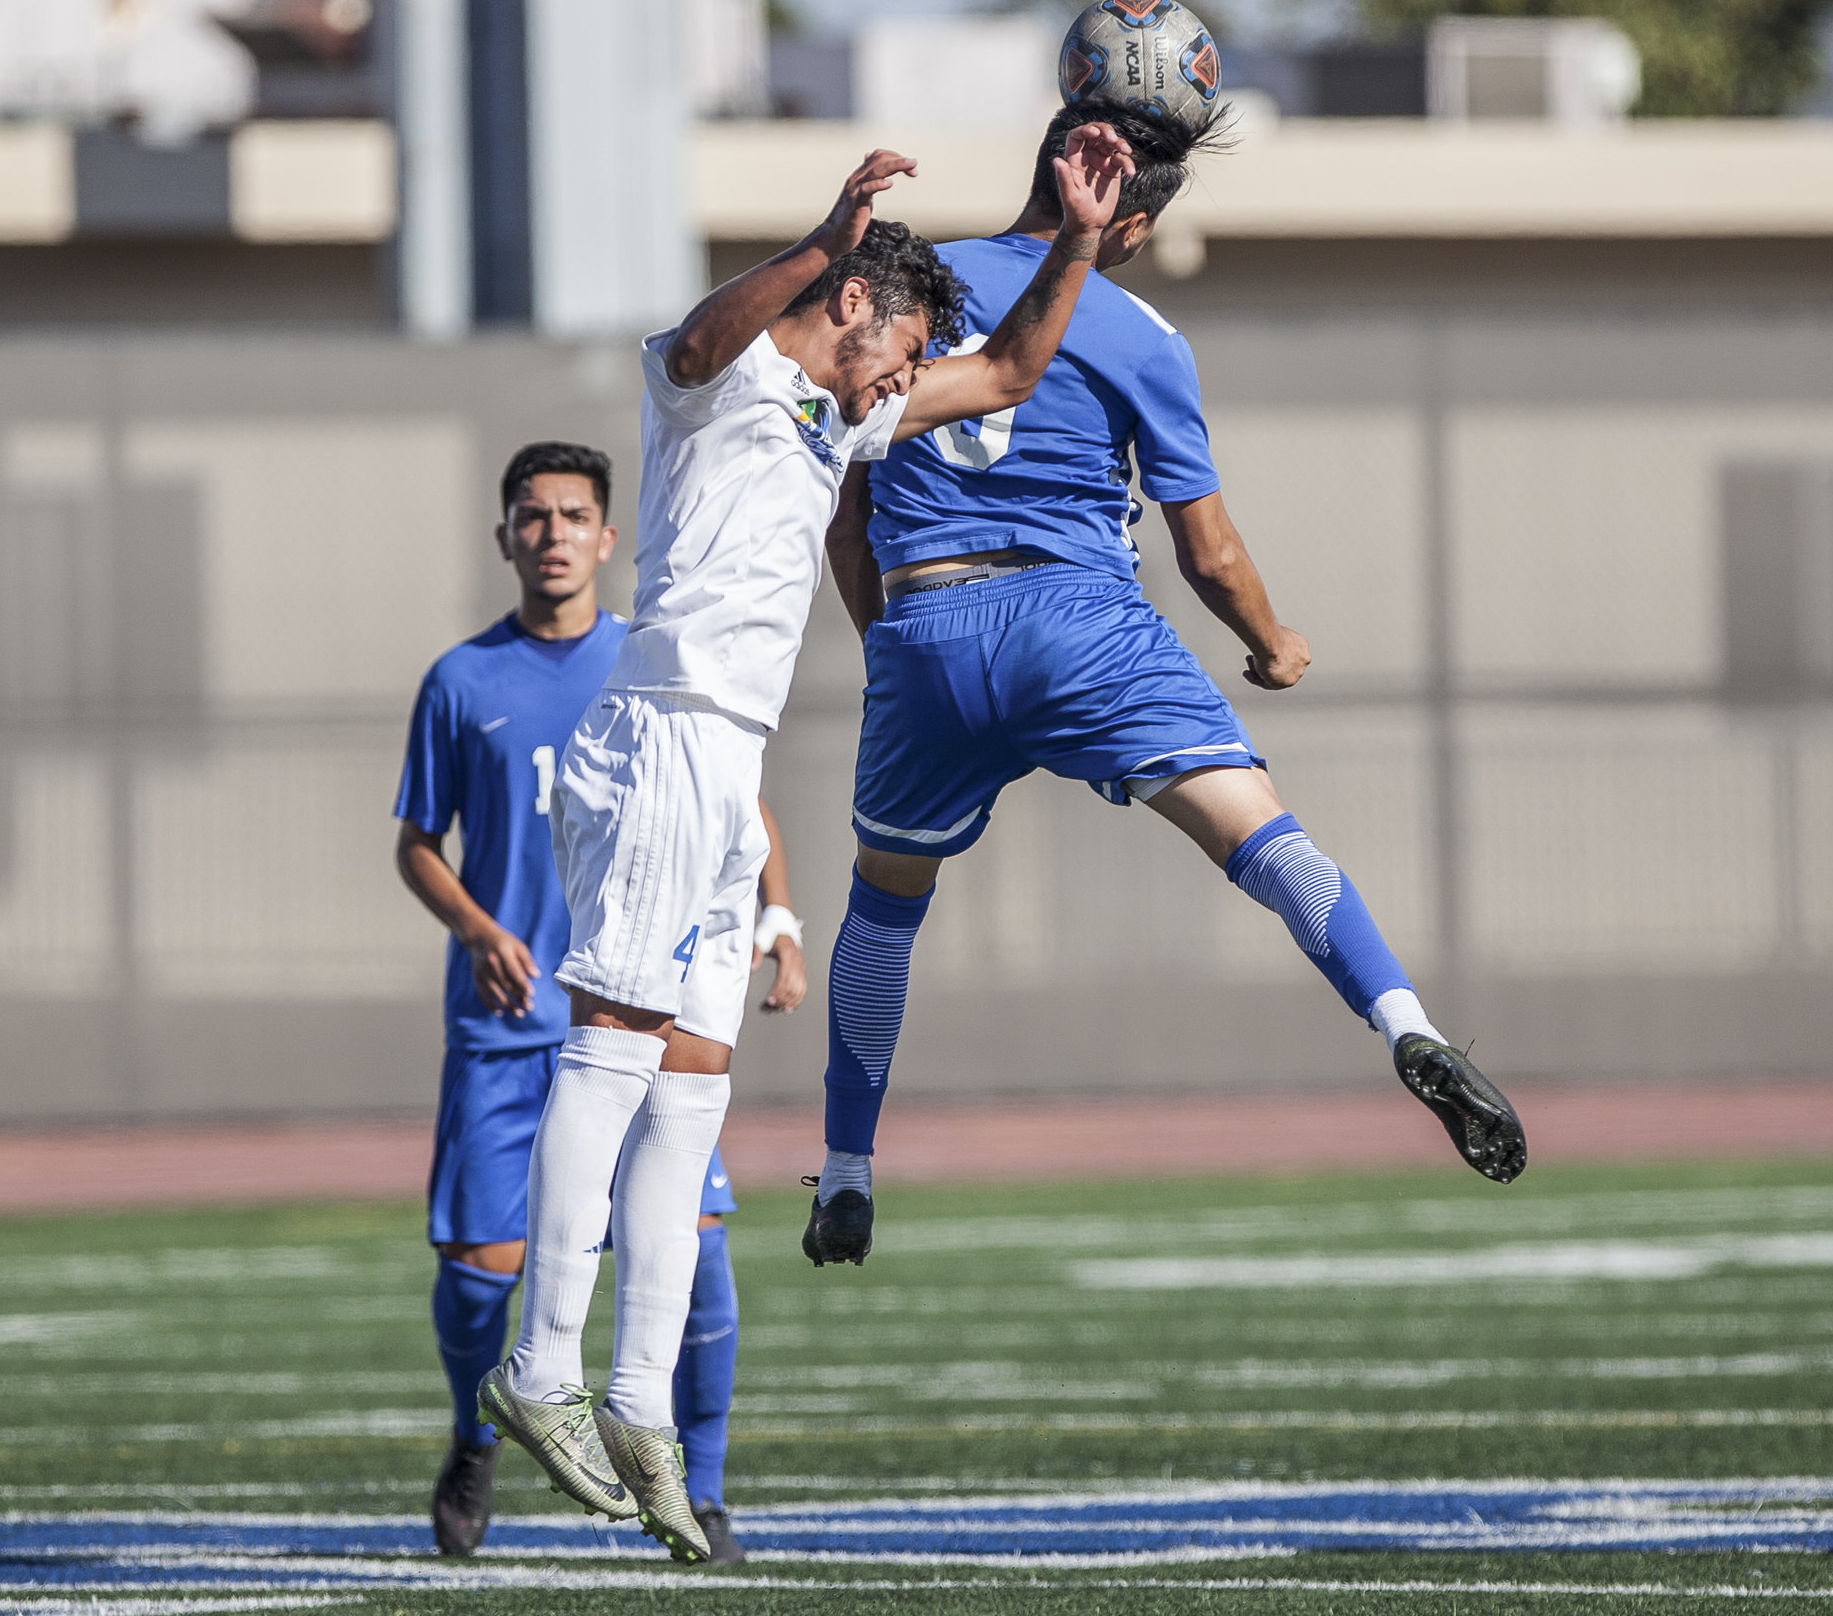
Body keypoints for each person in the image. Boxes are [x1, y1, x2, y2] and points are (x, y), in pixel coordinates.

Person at [474, 126, 1138, 1564]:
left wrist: (1081, 236)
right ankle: (539, 1368)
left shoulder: (846, 416)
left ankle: (640, 1393)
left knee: (696, 1076)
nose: (903, 378)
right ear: (848, 302)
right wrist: (828, 235)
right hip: (661, 733)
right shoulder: (725, 379)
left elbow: (1013, 371)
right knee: (616, 1037)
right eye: (895, 344)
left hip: (729, 766)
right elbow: (704, 333)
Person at [801, 102, 1526, 1270]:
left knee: (883, 907)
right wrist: (1272, 639)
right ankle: (1409, 1027)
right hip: (1080, 618)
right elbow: (1208, 554)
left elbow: (848, 524)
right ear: (1126, 223)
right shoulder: (1137, 330)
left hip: (926, 617)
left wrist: (895, 647)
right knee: (1264, 838)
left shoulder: (908, 295)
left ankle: (845, 1168)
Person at [393, 441, 807, 1563]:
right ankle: (476, 1438)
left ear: (609, 536)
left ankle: (705, 1486)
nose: (555, 533)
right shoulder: (460, 681)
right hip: (508, 1025)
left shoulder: (651, 660)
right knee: (484, 1268)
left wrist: (777, 920)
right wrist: (477, 929)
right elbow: (417, 845)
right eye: (534, 516)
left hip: (648, 1005)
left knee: (698, 1248)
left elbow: (738, 800)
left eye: (575, 514)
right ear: (506, 537)